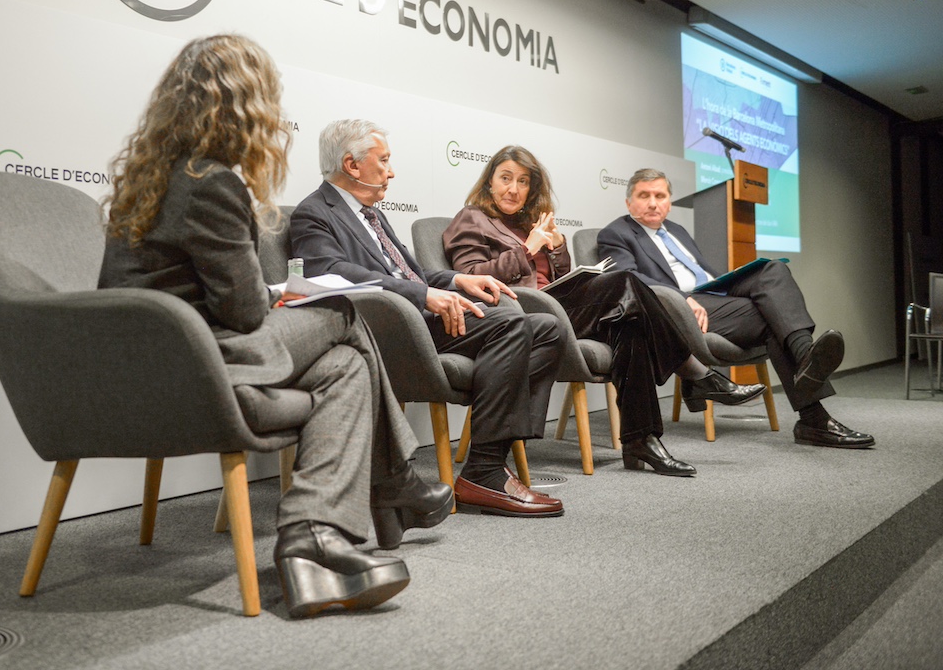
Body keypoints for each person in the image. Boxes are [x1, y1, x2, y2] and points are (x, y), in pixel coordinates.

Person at [98, 36, 453, 618]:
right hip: (202, 360)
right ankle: (388, 482)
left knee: (343, 366)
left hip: (156, 357)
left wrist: (273, 296)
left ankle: (313, 537)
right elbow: (241, 312)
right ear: (242, 106)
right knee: (341, 312)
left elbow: (197, 288)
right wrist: (279, 299)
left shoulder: (151, 175)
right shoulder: (212, 181)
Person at [290, 120, 565, 515]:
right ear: (352, 166)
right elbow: (331, 273)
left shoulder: (371, 213)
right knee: (511, 324)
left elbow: (410, 273)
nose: (391, 170)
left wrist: (459, 279)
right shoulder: (314, 213)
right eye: (383, 161)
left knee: (549, 329)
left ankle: (489, 455)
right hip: (390, 329)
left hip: (420, 317)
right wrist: (423, 294)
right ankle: (486, 472)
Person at [443, 146, 766, 477]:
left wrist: (556, 249)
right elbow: (473, 278)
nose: (513, 189)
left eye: (523, 181)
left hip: (557, 307)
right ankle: (695, 373)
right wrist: (529, 249)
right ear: (489, 183)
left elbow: (555, 278)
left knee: (632, 327)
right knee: (624, 281)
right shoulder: (472, 219)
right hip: (523, 312)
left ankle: (641, 442)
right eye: (506, 178)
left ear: (532, 188)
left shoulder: (531, 223)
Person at [598, 167, 874, 449]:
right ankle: (814, 417)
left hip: (713, 294)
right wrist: (681, 298)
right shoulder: (616, 233)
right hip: (680, 308)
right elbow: (627, 279)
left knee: (773, 269)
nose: (653, 202)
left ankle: (805, 359)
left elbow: (700, 272)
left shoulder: (677, 231)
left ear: (669, 200)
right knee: (774, 320)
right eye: (644, 196)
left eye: (660, 195)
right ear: (629, 202)